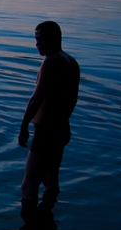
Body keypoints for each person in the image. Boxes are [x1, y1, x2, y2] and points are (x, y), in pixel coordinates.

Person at [18, 21, 80, 211]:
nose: (37, 45)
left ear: (55, 38)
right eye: (36, 40)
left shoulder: (52, 61)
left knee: (28, 187)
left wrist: (24, 126)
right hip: (61, 130)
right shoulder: (70, 61)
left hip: (46, 134)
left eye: (42, 40)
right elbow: (72, 100)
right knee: (50, 180)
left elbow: (36, 98)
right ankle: (47, 221)